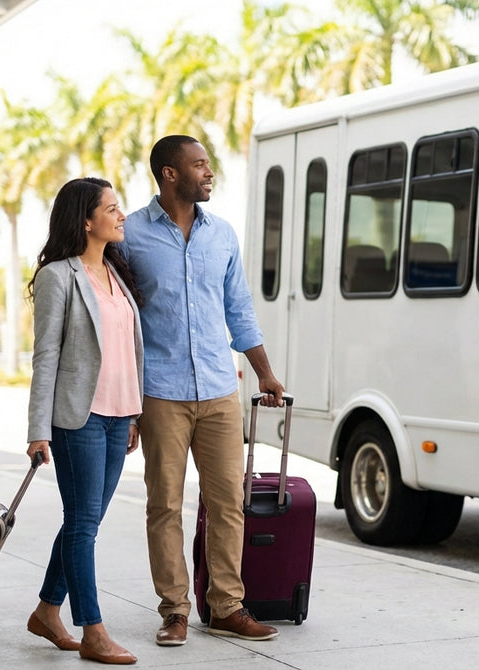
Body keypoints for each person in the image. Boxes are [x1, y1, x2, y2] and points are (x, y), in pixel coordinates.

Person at [120, 135, 286, 646]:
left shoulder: (223, 235)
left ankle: (226, 607)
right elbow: (121, 320)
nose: (209, 173)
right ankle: (174, 611)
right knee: (164, 505)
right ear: (170, 174)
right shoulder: (129, 236)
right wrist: (128, 406)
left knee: (228, 504)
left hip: (218, 388)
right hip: (161, 392)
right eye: (199, 165)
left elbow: (239, 310)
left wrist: (264, 372)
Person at [25, 177, 144, 665]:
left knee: (84, 521)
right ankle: (93, 630)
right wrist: (37, 428)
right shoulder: (59, 276)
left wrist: (135, 414)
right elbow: (46, 356)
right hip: (80, 418)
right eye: (112, 209)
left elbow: (126, 351)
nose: (121, 216)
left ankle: (47, 612)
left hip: (120, 416)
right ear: (86, 220)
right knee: (82, 524)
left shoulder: (117, 273)